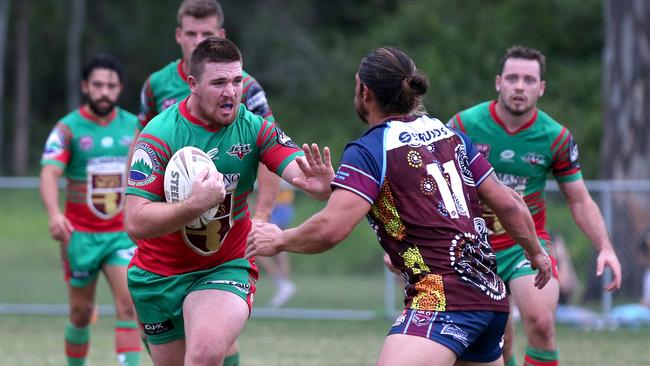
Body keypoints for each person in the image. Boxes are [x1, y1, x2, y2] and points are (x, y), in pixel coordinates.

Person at [246, 46, 552, 366]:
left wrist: (279, 239)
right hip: (490, 300)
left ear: (365, 93)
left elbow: (331, 229)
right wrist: (536, 254)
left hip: (444, 302)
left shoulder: (372, 148)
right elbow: (511, 204)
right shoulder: (451, 136)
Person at [124, 37, 333, 366]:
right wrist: (195, 204)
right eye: (219, 82)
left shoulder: (253, 128)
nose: (231, 92)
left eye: (237, 81)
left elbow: (295, 167)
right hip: (157, 276)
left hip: (225, 266)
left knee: (205, 354)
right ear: (193, 84)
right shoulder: (159, 134)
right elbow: (135, 221)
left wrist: (316, 184)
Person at [448, 45, 622, 366]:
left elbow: (580, 199)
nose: (519, 86)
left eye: (529, 80)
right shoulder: (463, 126)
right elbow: (433, 188)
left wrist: (605, 247)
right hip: (472, 246)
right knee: (492, 341)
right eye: (512, 78)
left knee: (542, 322)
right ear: (498, 82)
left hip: (525, 245)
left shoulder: (555, 137)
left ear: (541, 88)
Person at [134, 1, 283, 361]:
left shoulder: (245, 91)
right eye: (191, 33)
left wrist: (261, 216)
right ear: (179, 36)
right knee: (190, 349)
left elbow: (269, 148)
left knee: (209, 344)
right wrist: (135, 195)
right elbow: (140, 148)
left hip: (223, 250)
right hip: (162, 251)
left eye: (207, 33)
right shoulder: (156, 87)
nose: (197, 39)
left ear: (220, 36)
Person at [39, 54, 141, 366]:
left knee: (129, 305)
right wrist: (55, 213)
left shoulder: (135, 126)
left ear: (120, 88)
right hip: (80, 236)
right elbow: (49, 172)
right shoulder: (67, 129)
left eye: (111, 86)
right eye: (97, 85)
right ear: (85, 86)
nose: (104, 92)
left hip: (121, 235)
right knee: (81, 314)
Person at [255, 180, 297, 307]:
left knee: (257, 246)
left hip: (278, 206)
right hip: (278, 206)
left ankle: (283, 285)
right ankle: (284, 285)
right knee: (278, 248)